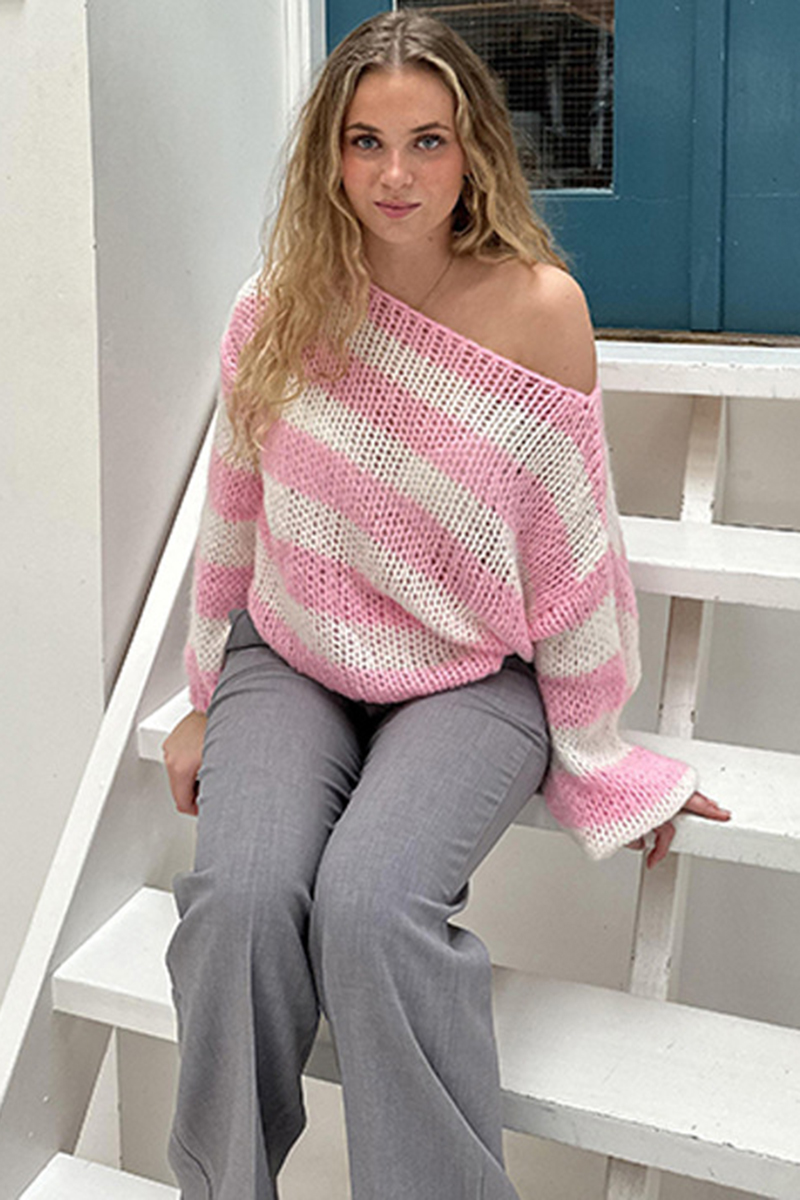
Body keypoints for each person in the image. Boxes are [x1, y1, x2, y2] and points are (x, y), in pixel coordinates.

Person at [162, 11, 730, 1199]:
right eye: (365, 142)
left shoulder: (539, 309)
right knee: (239, 902)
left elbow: (573, 557)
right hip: (293, 656)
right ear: (328, 155)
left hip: (471, 677)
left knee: (370, 910)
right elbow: (234, 509)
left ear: (472, 149)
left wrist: (595, 754)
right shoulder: (277, 304)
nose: (395, 176)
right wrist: (205, 694)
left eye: (426, 141)